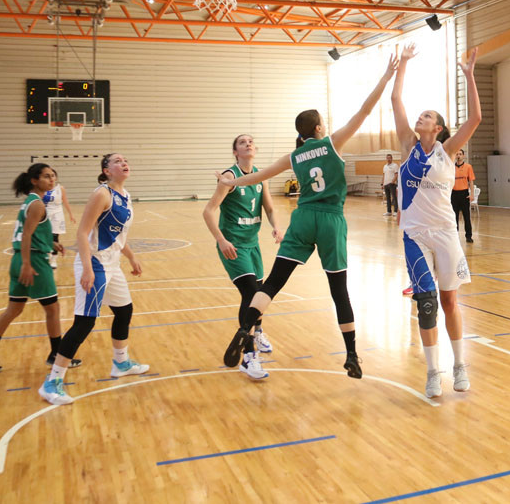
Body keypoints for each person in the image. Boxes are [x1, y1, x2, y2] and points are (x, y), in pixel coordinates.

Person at [221, 49, 402, 380]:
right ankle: (351, 355)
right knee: (339, 290)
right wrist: (387, 76)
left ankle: (246, 328)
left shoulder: (293, 156)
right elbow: (365, 110)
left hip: (302, 219)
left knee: (272, 283)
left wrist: (230, 181)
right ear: (319, 128)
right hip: (331, 220)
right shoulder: (332, 143)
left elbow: (258, 177)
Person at [392, 46, 482, 398]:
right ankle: (432, 372)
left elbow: (475, 118)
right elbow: (396, 100)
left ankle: (459, 364)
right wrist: (402, 65)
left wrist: (469, 75)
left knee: (449, 302)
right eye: (420, 114)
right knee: (426, 302)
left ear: (439, 127)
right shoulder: (407, 145)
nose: (420, 117)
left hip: (445, 233)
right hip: (414, 234)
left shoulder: (447, 151)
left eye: (427, 116)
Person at [40, 153, 147, 405]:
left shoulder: (125, 195)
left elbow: (117, 235)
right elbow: (82, 232)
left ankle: (121, 363)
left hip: (113, 263)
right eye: (117, 161)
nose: (124, 163)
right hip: (95, 263)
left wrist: (131, 257)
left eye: (125, 159)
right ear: (106, 170)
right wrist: (87, 268)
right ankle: (52, 382)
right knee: (84, 323)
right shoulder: (102, 194)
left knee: (124, 311)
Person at [0, 164, 73, 374]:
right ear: (34, 180)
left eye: (53, 176)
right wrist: (28, 264)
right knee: (53, 309)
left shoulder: (30, 202)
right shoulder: (37, 204)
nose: (52, 180)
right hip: (33, 261)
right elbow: (26, 235)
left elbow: (31, 232)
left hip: (19, 258)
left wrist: (51, 243)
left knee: (14, 309)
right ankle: (56, 355)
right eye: (46, 176)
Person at [203, 134, 284, 364]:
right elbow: (208, 211)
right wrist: (221, 240)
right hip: (233, 245)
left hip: (252, 244)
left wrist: (277, 227)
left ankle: (257, 332)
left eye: (250, 141)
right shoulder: (230, 177)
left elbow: (269, 208)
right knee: (250, 293)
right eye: (242, 142)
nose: (248, 144)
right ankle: (248, 355)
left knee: (259, 294)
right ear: (235, 152)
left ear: (255, 149)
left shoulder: (260, 177)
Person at [42, 172, 76, 269]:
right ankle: (45, 257)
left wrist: (71, 214)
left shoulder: (60, 188)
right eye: (47, 176)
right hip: (44, 214)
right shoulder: (42, 188)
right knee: (44, 237)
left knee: (54, 237)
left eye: (53, 176)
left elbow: (65, 201)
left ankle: (53, 260)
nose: (51, 178)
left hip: (57, 215)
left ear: (56, 177)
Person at [451, 149, 476, 244]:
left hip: (464, 194)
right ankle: (455, 237)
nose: (458, 156)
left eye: (460, 154)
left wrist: (472, 194)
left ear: (463, 156)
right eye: (457, 154)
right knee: (454, 217)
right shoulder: (451, 167)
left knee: (466, 216)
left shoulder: (468, 167)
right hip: (454, 194)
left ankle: (469, 236)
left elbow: (471, 182)